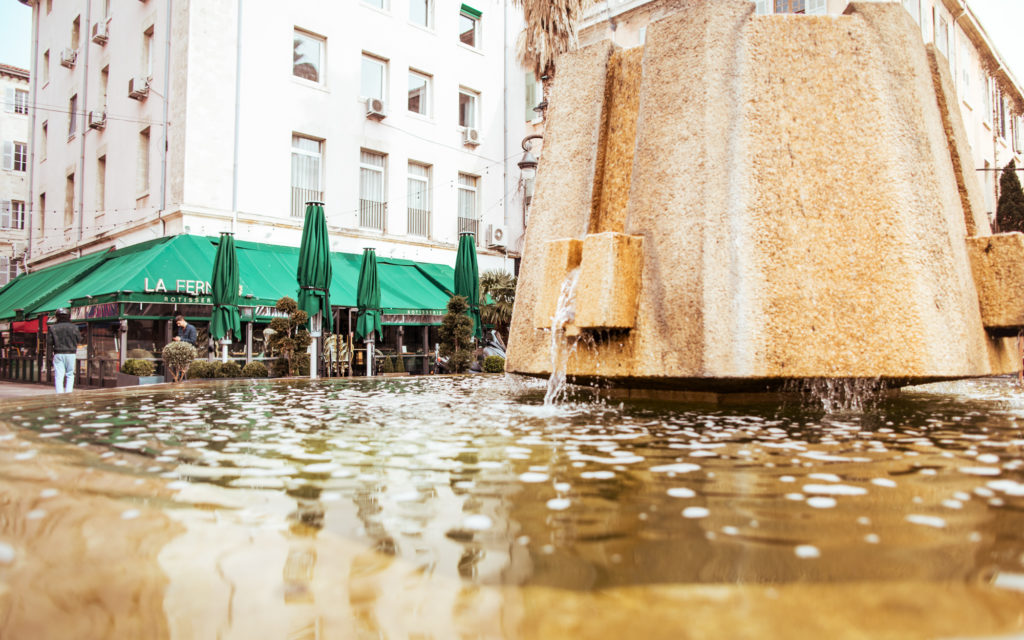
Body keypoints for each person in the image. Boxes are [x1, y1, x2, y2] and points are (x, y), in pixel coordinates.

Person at [46, 308, 81, 394]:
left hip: (58, 353)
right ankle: (69, 393)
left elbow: (49, 343)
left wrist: (49, 357)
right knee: (70, 374)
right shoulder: (74, 327)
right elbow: (79, 339)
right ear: (69, 316)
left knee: (59, 375)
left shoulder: (52, 328)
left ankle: (60, 393)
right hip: (71, 353)